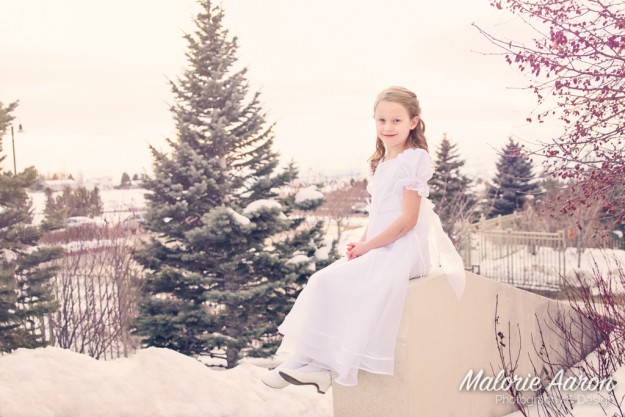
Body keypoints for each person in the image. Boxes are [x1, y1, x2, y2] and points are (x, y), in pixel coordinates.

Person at [261, 86, 466, 394]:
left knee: (333, 282)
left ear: (413, 122)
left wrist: (370, 247)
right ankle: (308, 364)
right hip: (384, 243)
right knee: (327, 280)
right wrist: (361, 243)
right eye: (381, 120)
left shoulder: (414, 160)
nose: (387, 128)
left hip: (406, 248)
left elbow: (407, 220)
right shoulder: (381, 162)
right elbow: (379, 214)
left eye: (396, 121)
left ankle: (320, 367)